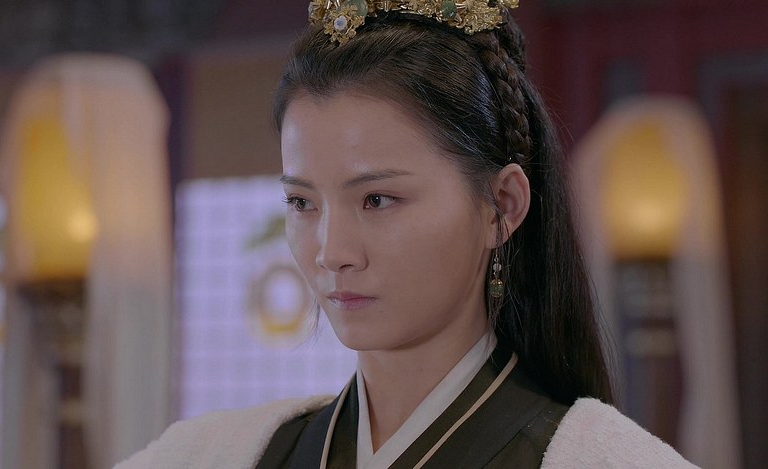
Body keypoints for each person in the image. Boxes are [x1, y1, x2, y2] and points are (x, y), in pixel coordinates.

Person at [117, 1, 697, 467]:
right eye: (302, 202)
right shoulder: (216, 455)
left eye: (377, 200)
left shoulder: (598, 459)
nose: (331, 253)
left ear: (502, 206)